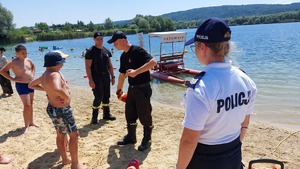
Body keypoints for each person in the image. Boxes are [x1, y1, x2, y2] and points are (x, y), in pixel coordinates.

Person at [176, 17, 257, 169]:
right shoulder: (246, 80)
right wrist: (233, 149)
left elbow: (189, 140)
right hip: (233, 152)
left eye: (195, 47)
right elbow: (244, 123)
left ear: (203, 48)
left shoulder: (201, 88)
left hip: (205, 159)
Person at [28, 50, 87, 169]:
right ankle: (75, 164)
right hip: (62, 110)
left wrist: (47, 90)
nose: (64, 63)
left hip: (52, 108)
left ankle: (65, 159)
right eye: (62, 61)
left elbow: (31, 85)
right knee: (74, 135)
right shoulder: (55, 74)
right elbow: (57, 88)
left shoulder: (45, 74)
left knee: (60, 134)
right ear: (57, 63)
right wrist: (66, 96)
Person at [107, 31, 157, 151]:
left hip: (143, 88)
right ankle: (131, 137)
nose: (114, 45)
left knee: (145, 115)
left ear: (122, 40)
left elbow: (153, 63)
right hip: (132, 88)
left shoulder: (137, 51)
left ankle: (147, 139)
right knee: (130, 114)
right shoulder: (123, 56)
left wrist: (136, 72)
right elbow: (122, 74)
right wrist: (119, 89)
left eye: (115, 42)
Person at [0, 45, 38, 134]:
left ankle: (31, 122)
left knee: (31, 104)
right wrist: (12, 79)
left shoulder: (28, 60)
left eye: (26, 52)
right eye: (23, 53)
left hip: (31, 84)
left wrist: (32, 75)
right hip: (21, 85)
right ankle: (26, 126)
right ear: (17, 53)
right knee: (27, 105)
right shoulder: (13, 62)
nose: (25, 54)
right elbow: (2, 71)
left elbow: (33, 67)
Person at [85, 31, 116, 124]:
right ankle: (94, 117)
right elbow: (87, 67)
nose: (100, 40)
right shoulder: (91, 51)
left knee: (107, 96)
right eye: (97, 39)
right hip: (96, 76)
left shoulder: (106, 50)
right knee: (99, 96)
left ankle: (106, 114)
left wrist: (113, 76)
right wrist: (90, 80)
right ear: (94, 39)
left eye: (101, 38)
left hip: (106, 76)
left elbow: (110, 65)